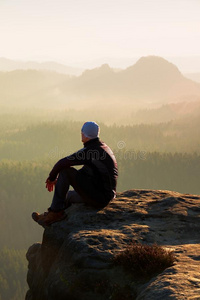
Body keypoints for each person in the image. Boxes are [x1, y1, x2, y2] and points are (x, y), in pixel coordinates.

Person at [32, 121, 118, 227]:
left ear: (84, 135)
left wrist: (51, 178)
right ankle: (50, 215)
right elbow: (87, 171)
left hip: (100, 198)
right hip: (105, 195)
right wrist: (59, 181)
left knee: (65, 171)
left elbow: (62, 163)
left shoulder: (90, 151)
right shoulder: (102, 147)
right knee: (67, 196)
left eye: (82, 132)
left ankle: (55, 213)